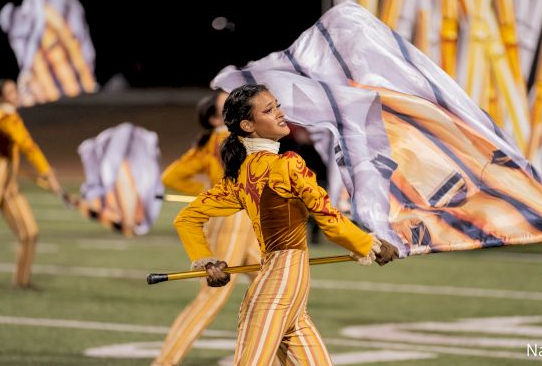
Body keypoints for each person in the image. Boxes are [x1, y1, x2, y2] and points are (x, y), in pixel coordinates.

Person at [173, 84, 398, 365]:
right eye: (269, 110)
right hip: (274, 297)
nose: (280, 114)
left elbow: (186, 219)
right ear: (248, 125)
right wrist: (370, 245)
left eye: (277, 105)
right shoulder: (287, 165)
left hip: (289, 302)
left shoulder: (240, 174)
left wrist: (204, 260)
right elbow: (330, 220)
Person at [152, 90, 260, 366]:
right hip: (231, 219)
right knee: (212, 296)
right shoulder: (230, 139)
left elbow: (171, 176)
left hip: (246, 221)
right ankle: (165, 362)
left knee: (275, 291)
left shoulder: (216, 140)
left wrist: (205, 189)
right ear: (215, 118)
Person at [0, 79, 62, 289]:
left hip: (8, 178)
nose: (16, 93)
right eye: (11, 91)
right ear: (0, 97)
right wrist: (48, 174)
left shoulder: (6, 114)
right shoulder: (6, 116)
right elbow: (28, 146)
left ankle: (21, 281)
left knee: (29, 232)